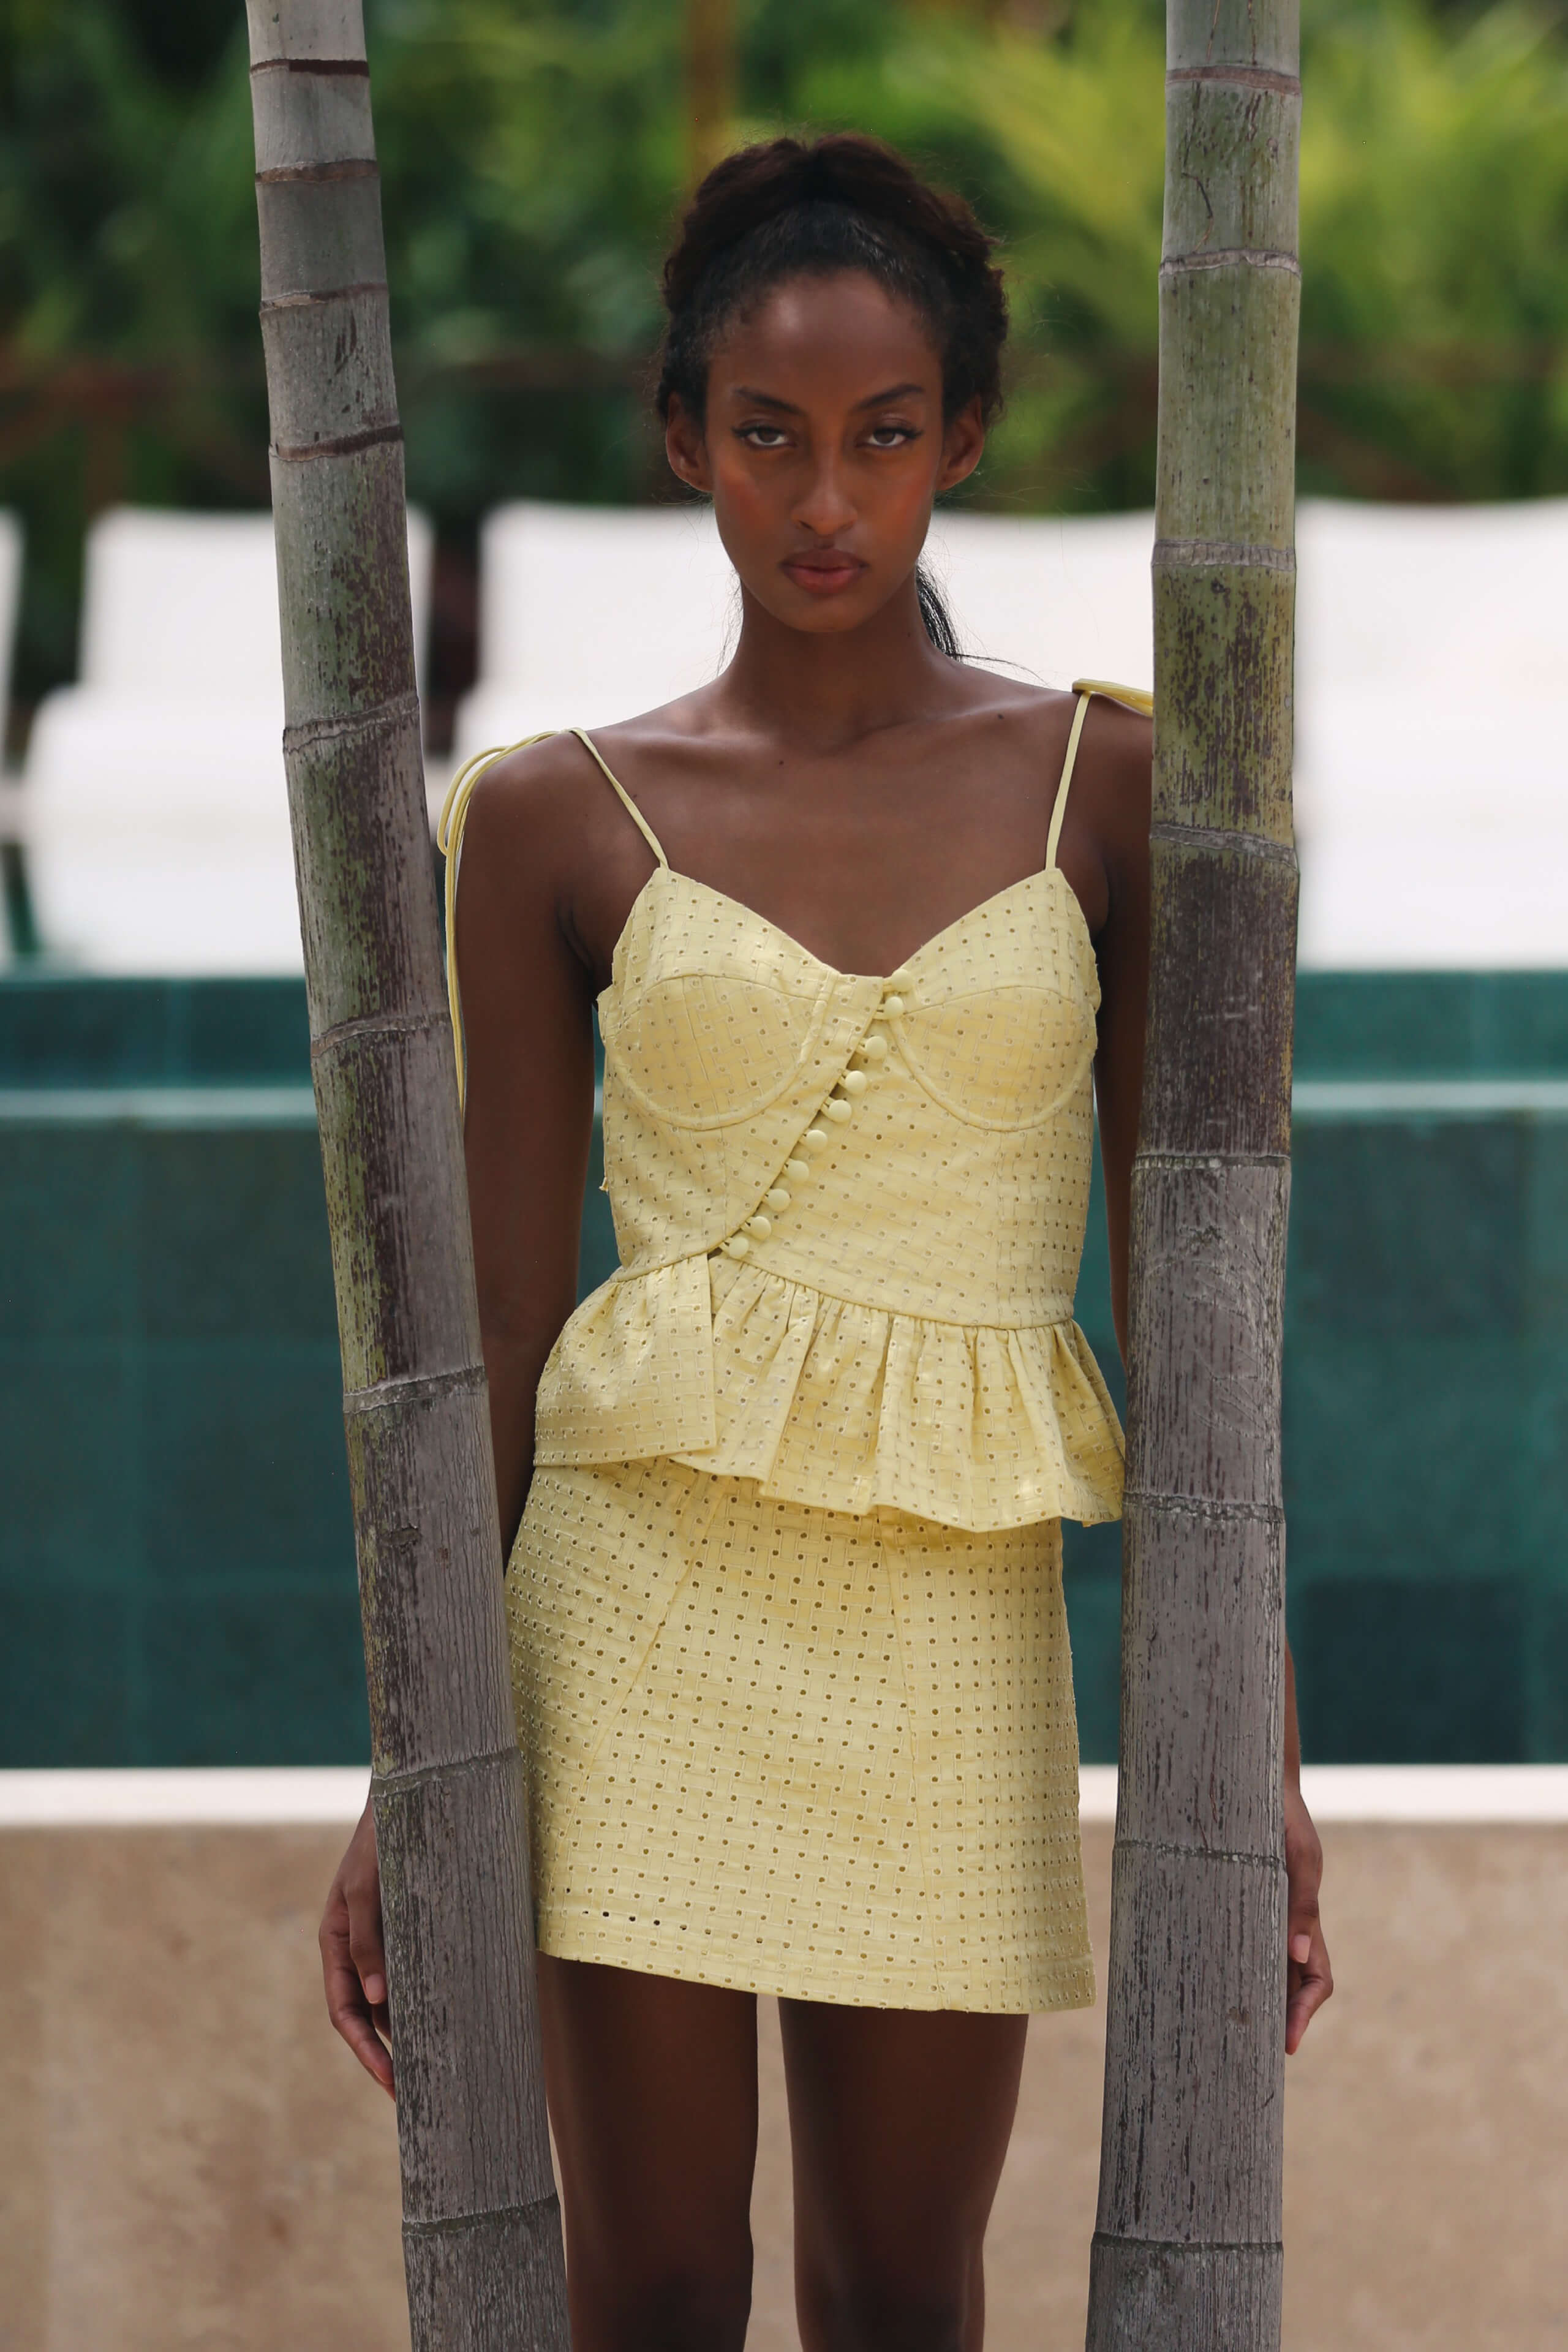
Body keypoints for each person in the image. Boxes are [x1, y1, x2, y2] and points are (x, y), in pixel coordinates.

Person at [320, 133, 1332, 2351]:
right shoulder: (552, 815)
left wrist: (1251, 1750)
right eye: (769, 434)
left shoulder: (1116, 791)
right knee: (660, 2286)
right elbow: (493, 1333)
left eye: (883, 436)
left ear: (960, 440)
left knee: (898, 2295)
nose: (825, 500)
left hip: (952, 1634)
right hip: (632, 1612)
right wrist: (419, 1773)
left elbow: (1197, 1326)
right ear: (686, 438)